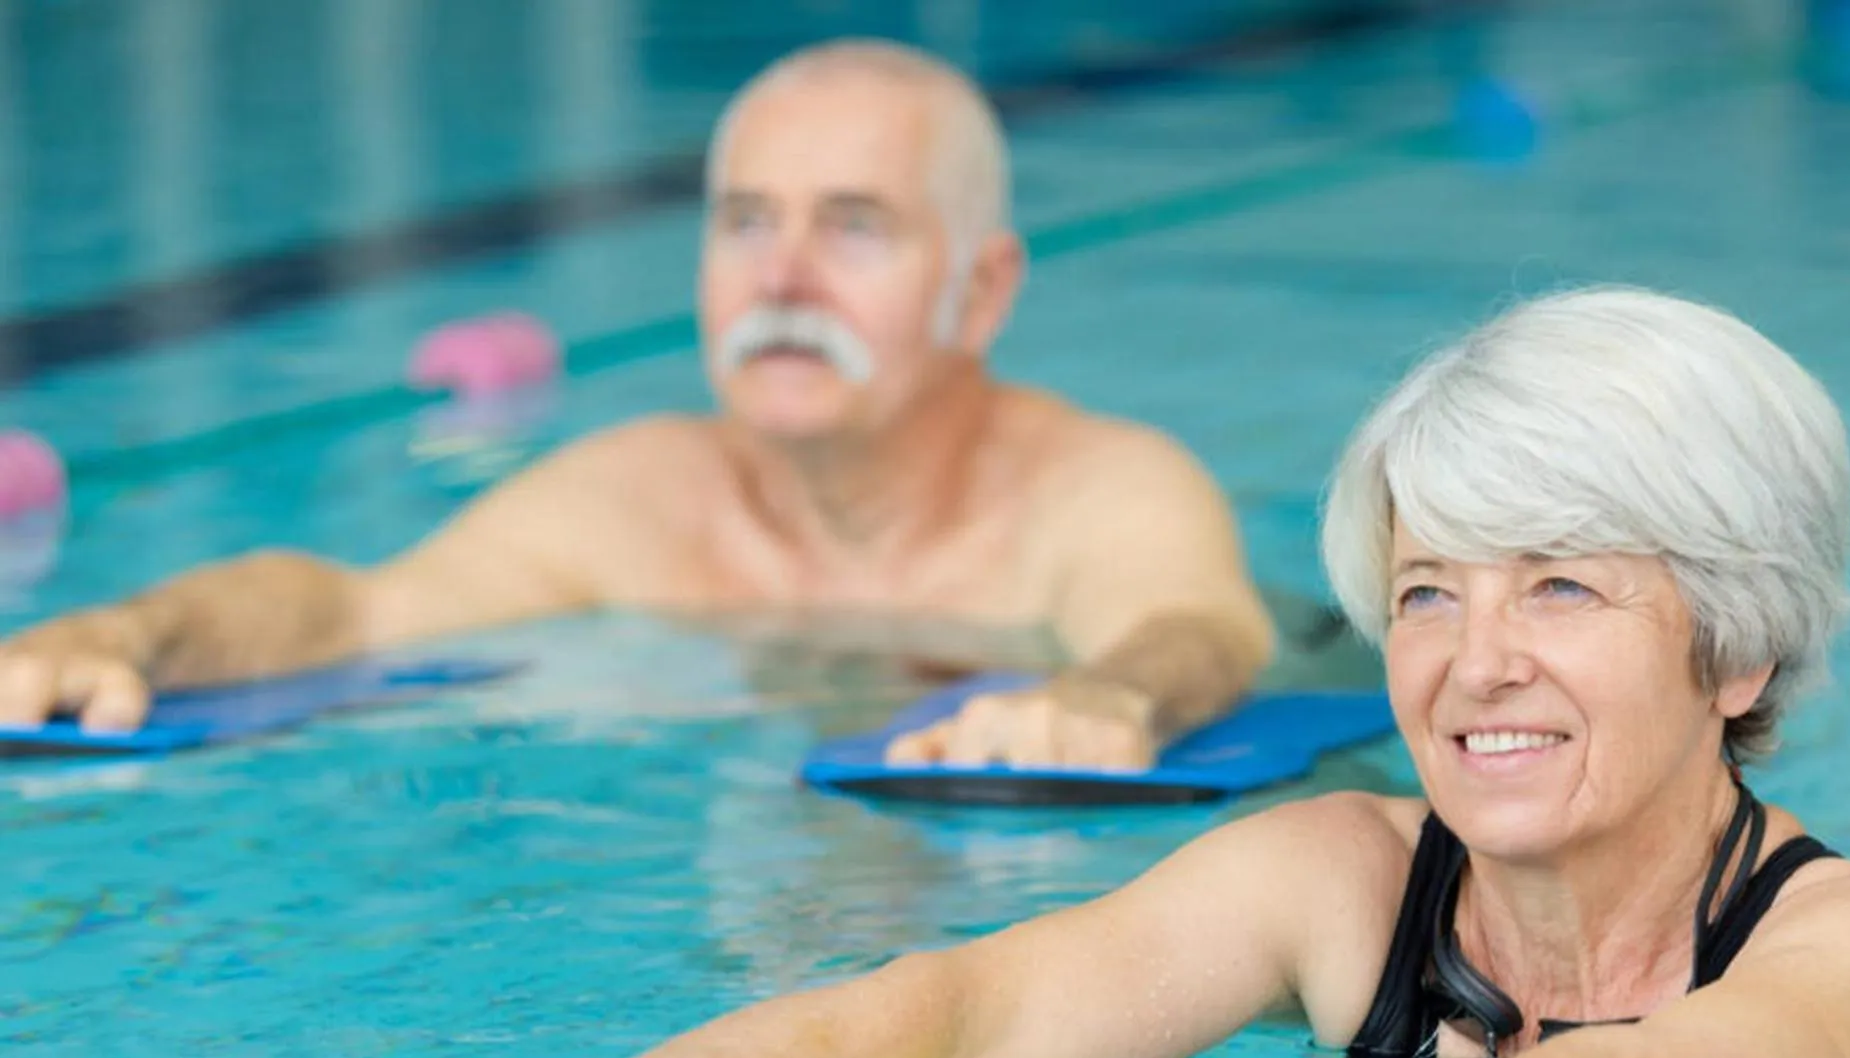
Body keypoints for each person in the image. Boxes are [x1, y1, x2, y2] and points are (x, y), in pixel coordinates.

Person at [329, 288, 1850, 1058]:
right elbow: (961, 1027)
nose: (1473, 666)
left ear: (1737, 650)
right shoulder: (1341, 884)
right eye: (1426, 593)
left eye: (1558, 586)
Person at [0, 41, 1274, 773]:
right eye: (745, 223)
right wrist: (128, 631)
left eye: (852, 227)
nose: (781, 279)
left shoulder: (1097, 490)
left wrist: (1112, 697)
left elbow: (1196, 631)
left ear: (981, 291)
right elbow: (351, 611)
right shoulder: (637, 498)